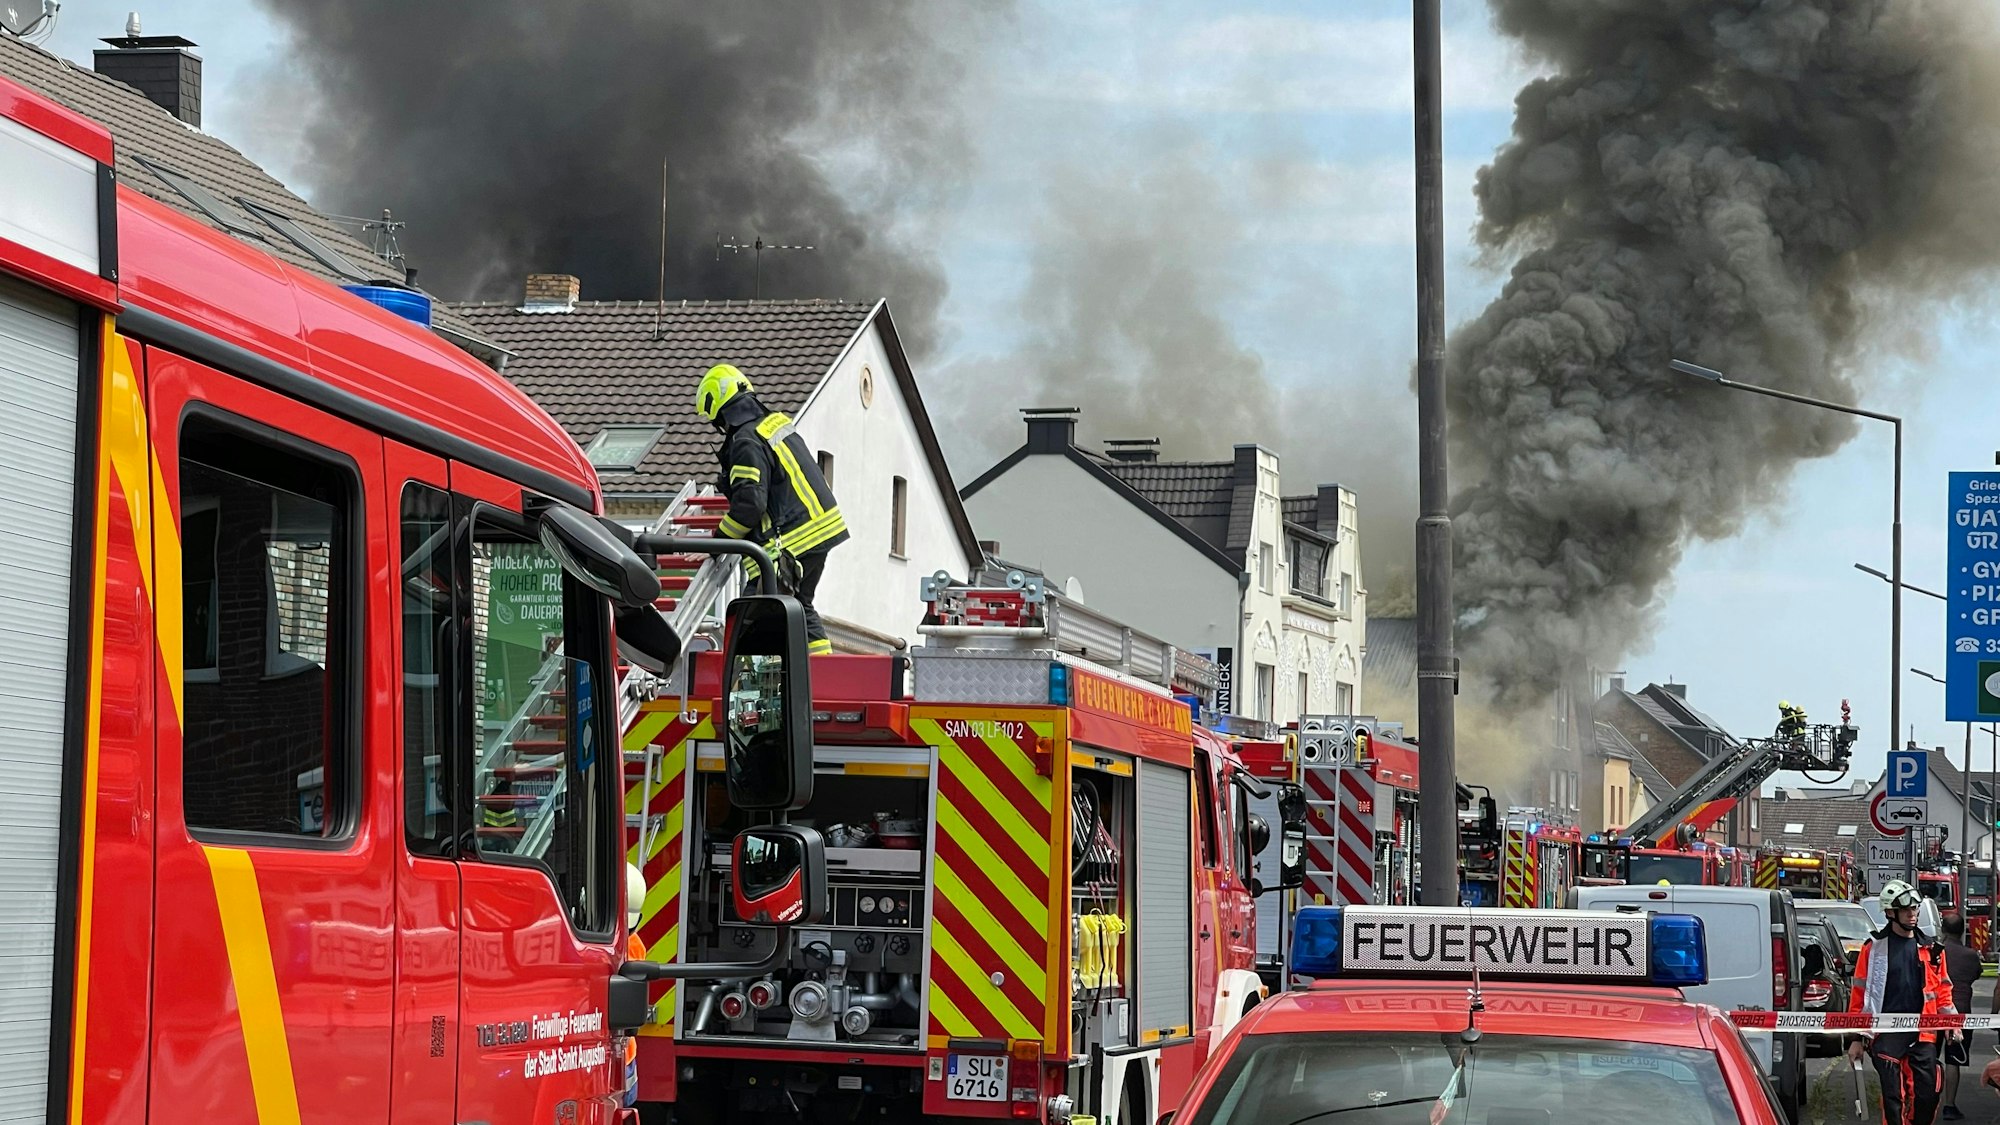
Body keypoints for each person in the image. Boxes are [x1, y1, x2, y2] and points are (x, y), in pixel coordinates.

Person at [696, 363, 848, 655]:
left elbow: (750, 506)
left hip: (790, 542)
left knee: (752, 617)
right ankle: (822, 676)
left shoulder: (745, 441)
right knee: (799, 607)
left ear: (719, 410)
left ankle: (743, 688)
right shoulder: (773, 425)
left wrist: (714, 544)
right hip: (819, 533)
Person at [1848, 879, 1959, 1125]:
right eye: (1907, 909)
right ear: (1890, 913)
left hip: (1924, 1034)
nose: (1913, 914)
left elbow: (1943, 991)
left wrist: (1953, 1022)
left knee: (1927, 1095)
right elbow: (1860, 995)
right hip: (1886, 1035)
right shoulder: (1873, 949)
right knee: (1893, 1097)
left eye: (1915, 908)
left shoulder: (1932, 949)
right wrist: (1856, 1039)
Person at [1939, 913, 1984, 1119]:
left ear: (1943, 930)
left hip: (1932, 1013)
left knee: (1927, 1058)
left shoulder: (1935, 952)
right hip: (1960, 1013)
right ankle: (1949, 1105)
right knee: (1953, 1060)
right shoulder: (1971, 956)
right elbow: (1975, 974)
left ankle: (1925, 1101)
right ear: (1962, 931)